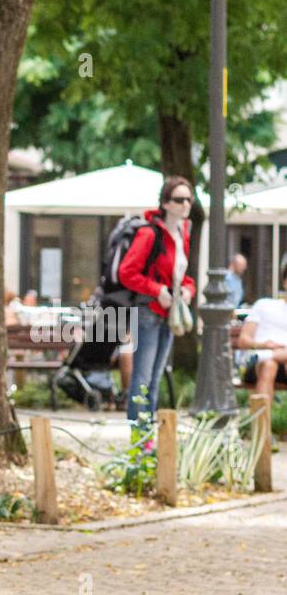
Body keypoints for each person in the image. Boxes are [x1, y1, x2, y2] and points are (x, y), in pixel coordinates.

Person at [118, 175, 196, 423]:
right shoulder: (149, 234)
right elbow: (126, 272)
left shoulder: (183, 233)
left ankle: (147, 438)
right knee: (141, 378)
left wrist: (187, 290)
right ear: (165, 203)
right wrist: (157, 290)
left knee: (155, 377)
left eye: (189, 200)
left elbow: (181, 276)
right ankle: (138, 439)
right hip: (148, 311)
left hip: (169, 313)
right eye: (179, 199)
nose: (185, 204)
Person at [236, 264, 287, 401]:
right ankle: (261, 421)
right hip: (258, 365)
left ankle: (264, 356)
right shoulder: (264, 305)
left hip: (275, 358)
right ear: (285, 282)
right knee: (269, 365)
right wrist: (264, 345)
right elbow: (243, 340)